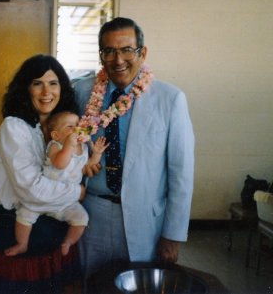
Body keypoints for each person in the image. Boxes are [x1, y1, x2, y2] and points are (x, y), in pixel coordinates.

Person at [74, 17, 195, 281]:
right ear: (101, 55)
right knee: (91, 284)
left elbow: (181, 174)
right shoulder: (82, 92)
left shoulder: (170, 99)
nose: (118, 60)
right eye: (109, 51)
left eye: (127, 49)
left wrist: (172, 236)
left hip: (145, 221)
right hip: (90, 214)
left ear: (143, 52)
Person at [0, 54, 85, 294]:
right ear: (26, 88)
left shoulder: (66, 128)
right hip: (17, 228)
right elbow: (31, 190)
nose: (47, 91)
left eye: (53, 83)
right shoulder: (15, 127)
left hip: (57, 228)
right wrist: (77, 191)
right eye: (37, 83)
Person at [5, 111, 108, 257]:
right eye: (70, 127)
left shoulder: (83, 148)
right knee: (24, 215)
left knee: (82, 217)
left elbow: (87, 167)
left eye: (78, 125)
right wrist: (68, 146)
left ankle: (68, 242)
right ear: (56, 135)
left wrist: (96, 154)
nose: (76, 130)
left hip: (65, 201)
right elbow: (60, 164)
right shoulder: (55, 146)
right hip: (43, 197)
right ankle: (22, 244)